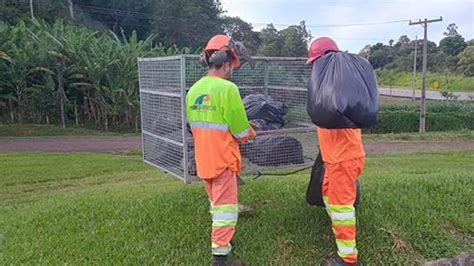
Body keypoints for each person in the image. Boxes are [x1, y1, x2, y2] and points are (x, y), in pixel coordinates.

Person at [186, 34, 256, 266]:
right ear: (225, 62)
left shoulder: (193, 91)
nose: (231, 70)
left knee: (217, 205)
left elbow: (198, 125)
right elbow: (240, 130)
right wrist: (250, 132)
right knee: (226, 209)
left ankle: (223, 240)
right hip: (224, 159)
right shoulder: (228, 89)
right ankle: (220, 258)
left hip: (204, 160)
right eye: (232, 65)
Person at [306, 37, 366, 266]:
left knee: (341, 207)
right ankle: (340, 231)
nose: (313, 68)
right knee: (330, 197)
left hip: (343, 158)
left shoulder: (338, 84)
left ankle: (348, 258)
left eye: (315, 62)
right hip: (336, 157)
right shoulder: (333, 83)